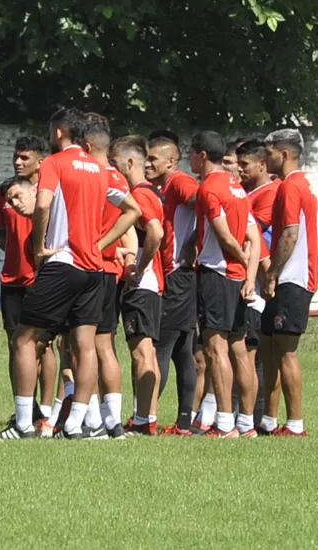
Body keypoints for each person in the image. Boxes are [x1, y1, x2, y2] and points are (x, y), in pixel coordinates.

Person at [1, 108, 138, 440]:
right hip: (94, 269)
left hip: (63, 263)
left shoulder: (54, 163)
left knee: (24, 339)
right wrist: (100, 242)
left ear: (59, 132)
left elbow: (43, 204)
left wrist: (39, 247)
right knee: (85, 345)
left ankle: (22, 425)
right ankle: (76, 424)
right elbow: (133, 210)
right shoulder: (99, 168)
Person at [190, 130, 260, 438]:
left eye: (190, 154)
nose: (187, 159)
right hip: (237, 279)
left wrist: (243, 266)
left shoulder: (210, 188)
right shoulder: (239, 188)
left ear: (202, 155)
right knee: (239, 349)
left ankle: (224, 423)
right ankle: (247, 424)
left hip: (217, 274)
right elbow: (253, 238)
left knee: (215, 350)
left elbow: (224, 236)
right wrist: (251, 276)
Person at [78, 115, 143, 440]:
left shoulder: (85, 176)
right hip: (110, 272)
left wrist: (96, 244)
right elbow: (130, 223)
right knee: (105, 346)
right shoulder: (118, 179)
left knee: (79, 347)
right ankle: (113, 422)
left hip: (84, 268)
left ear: (86, 146)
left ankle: (89, 421)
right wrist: (126, 254)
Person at [0, 136, 57, 436]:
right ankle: (24, 408)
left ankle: (46, 411)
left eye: (25, 158)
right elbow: (2, 237)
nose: (18, 162)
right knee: (15, 344)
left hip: (42, 276)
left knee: (44, 346)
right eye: (16, 156)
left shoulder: (49, 189)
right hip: (12, 279)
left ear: (40, 160)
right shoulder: (2, 192)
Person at [259, 128, 318, 437]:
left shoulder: (291, 188)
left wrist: (272, 273)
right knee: (269, 347)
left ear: (283, 154)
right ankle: (268, 420)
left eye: (268, 153)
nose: (264, 159)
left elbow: (290, 234)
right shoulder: (293, 185)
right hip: (286, 279)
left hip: (292, 279)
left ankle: (295, 424)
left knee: (286, 352)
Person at [145, 131, 200, 435]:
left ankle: (147, 416)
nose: (148, 164)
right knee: (182, 349)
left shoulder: (179, 181)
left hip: (178, 274)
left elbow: (203, 200)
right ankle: (183, 422)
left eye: (153, 159)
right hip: (178, 275)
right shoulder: (164, 187)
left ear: (171, 161)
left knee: (162, 346)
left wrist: (193, 240)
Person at [111, 135, 166, 435]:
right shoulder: (151, 192)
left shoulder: (141, 194)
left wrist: (138, 268)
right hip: (150, 284)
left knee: (140, 352)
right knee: (148, 352)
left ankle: (144, 421)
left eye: (115, 164)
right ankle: (148, 418)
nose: (113, 169)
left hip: (142, 284)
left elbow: (154, 232)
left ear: (130, 162)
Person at [236, 138, 277, 429]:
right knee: (254, 356)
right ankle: (258, 419)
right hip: (253, 285)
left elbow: (257, 242)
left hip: (256, 289)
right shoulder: (250, 193)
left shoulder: (269, 194)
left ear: (262, 165)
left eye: (244, 164)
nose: (239, 170)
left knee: (249, 354)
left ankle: (248, 421)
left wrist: (261, 279)